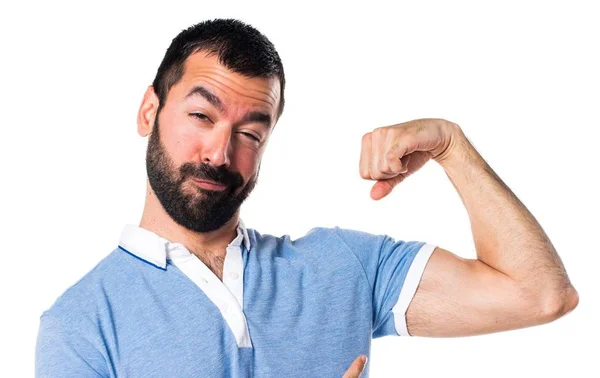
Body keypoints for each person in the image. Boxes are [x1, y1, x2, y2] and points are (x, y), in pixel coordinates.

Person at [35, 18, 579, 378]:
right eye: (201, 116)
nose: (221, 152)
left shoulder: (340, 267)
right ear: (149, 112)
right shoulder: (82, 323)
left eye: (251, 132)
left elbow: (539, 294)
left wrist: (451, 146)